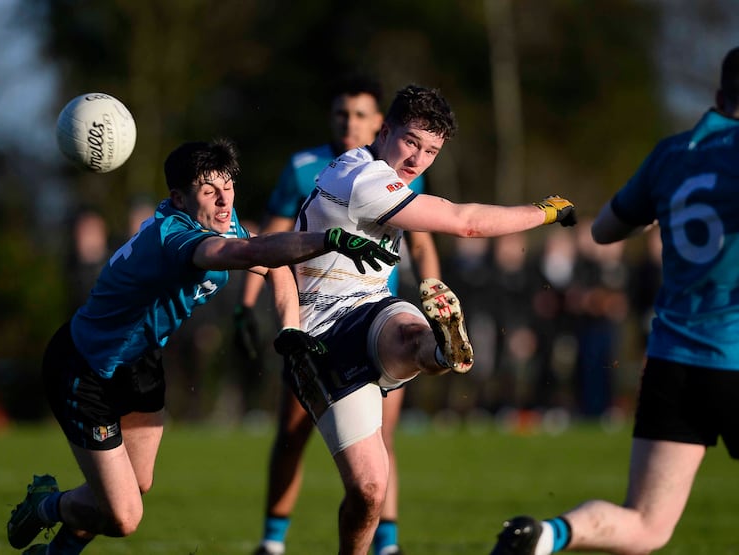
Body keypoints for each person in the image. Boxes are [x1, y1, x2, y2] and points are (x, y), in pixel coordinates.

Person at [4, 139, 398, 555]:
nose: (224, 199)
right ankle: (46, 505)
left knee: (137, 484)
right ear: (179, 197)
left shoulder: (219, 223)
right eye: (209, 190)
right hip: (85, 368)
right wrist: (328, 239)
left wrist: (289, 329)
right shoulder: (172, 237)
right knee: (124, 516)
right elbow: (247, 251)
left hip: (140, 362)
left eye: (228, 186)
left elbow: (274, 267)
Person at [275, 84, 576, 555]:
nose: (418, 159)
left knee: (410, 329)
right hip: (322, 334)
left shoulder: (372, 168)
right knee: (370, 490)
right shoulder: (364, 179)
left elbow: (431, 233)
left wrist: (431, 282)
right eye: (412, 142)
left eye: (432, 150)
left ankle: (440, 346)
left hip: (370, 305)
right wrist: (542, 213)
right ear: (386, 128)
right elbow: (465, 221)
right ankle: (437, 349)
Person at [490, 45, 739, 555]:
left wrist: (657, 208)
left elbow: (604, 229)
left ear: (717, 96)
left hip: (674, 362)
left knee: (646, 524)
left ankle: (549, 535)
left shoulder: (672, 154)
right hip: (735, 352)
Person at [243, 75, 441, 555]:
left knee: (380, 438)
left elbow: (422, 240)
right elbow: (271, 238)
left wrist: (434, 287)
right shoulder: (306, 167)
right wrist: (249, 303)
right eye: (341, 113)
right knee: (293, 430)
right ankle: (273, 541)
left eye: (359, 114)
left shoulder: (404, 167)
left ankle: (385, 542)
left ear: (379, 122)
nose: (349, 122)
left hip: (380, 317)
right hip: (318, 320)